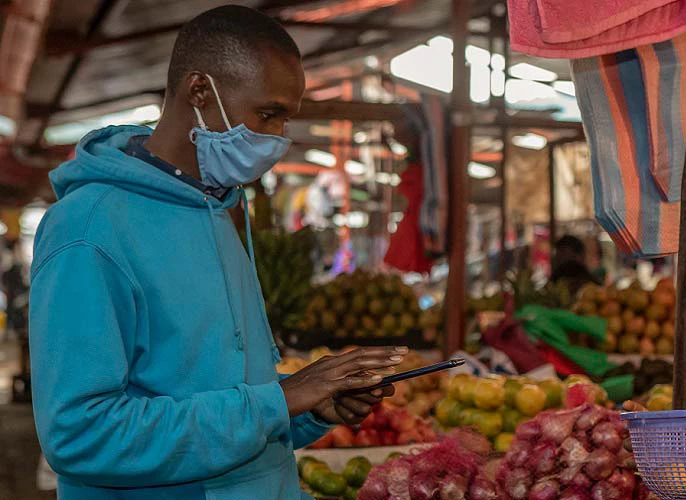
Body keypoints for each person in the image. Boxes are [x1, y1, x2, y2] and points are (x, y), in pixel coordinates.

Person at [30, 6, 405, 498]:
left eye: (285, 120)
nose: (276, 139)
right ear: (199, 91)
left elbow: (225, 398)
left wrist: (310, 410)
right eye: (267, 114)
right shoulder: (89, 228)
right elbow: (80, 435)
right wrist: (279, 400)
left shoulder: (220, 210)